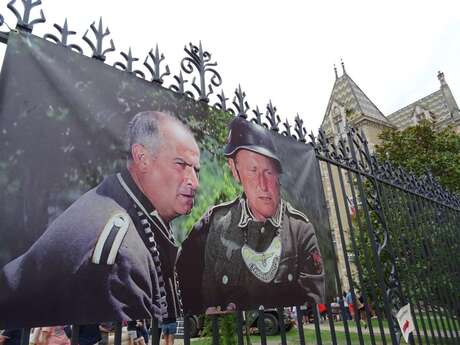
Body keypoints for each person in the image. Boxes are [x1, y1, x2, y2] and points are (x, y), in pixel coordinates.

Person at [0, 111, 200, 328]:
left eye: (195, 170)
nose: (194, 182)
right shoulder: (120, 252)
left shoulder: (129, 204)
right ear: (142, 158)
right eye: (180, 164)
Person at [177, 117, 325, 313]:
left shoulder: (300, 230)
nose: (263, 185)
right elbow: (184, 282)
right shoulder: (215, 223)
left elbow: (315, 303)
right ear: (235, 170)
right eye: (253, 170)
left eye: (269, 172)